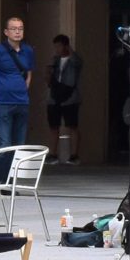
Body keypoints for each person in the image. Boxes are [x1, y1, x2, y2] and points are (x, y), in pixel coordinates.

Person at [0, 17, 36, 174]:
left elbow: (29, 73)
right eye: (13, 29)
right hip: (3, 103)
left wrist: (24, 88)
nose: (17, 32)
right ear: (6, 32)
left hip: (22, 102)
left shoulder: (28, 51)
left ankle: (10, 184)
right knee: (5, 143)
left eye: (20, 28)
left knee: (18, 144)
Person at [47, 34, 82, 164]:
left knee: (72, 125)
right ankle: (53, 154)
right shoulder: (54, 60)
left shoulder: (74, 59)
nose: (57, 49)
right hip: (54, 96)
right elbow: (48, 74)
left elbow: (77, 63)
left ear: (66, 46)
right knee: (53, 126)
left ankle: (74, 155)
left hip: (70, 97)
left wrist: (70, 51)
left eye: (59, 46)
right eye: (55, 46)